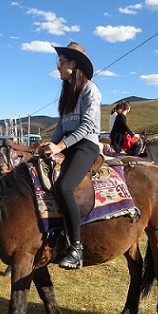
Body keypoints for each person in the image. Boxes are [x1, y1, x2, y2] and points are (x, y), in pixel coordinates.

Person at [40, 42, 101, 270]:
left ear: (73, 64)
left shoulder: (89, 90)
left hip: (85, 145)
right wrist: (50, 145)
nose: (58, 67)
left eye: (60, 62)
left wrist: (60, 146)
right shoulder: (67, 91)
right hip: (67, 144)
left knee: (64, 187)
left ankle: (76, 247)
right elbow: (61, 124)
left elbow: (86, 126)